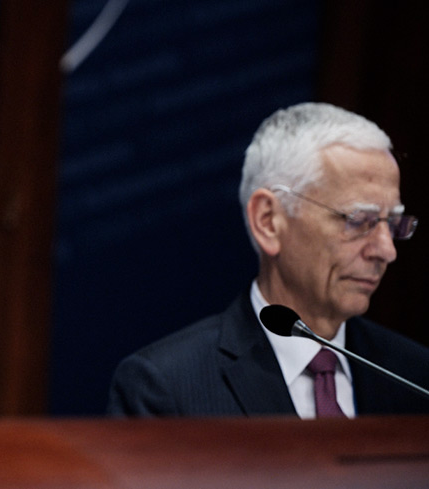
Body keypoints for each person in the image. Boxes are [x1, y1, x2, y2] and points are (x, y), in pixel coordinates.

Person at [108, 102, 429, 418]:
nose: (387, 251)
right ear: (269, 221)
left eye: (393, 223)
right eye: (360, 220)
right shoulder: (166, 389)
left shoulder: (414, 376)